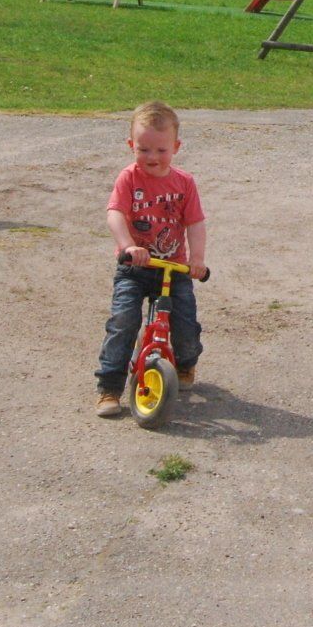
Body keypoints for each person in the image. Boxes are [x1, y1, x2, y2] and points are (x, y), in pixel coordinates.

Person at [95, 101, 208, 418]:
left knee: (185, 324)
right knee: (123, 322)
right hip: (135, 268)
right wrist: (128, 246)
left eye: (161, 150)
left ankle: (184, 364)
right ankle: (109, 387)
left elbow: (195, 223)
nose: (152, 157)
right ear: (131, 145)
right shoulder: (129, 179)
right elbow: (115, 214)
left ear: (176, 147)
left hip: (174, 269)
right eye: (143, 150)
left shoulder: (184, 183)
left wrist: (197, 259)